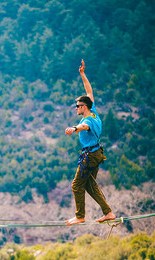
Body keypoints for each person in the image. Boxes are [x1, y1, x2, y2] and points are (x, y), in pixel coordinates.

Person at [64, 59, 116, 226]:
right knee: (90, 185)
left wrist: (74, 128)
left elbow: (84, 126)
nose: (76, 108)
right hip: (95, 154)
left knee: (76, 185)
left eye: (78, 106)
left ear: (84, 107)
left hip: (90, 156)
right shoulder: (92, 109)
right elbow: (89, 91)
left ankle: (80, 216)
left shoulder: (89, 120)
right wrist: (82, 74)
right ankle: (108, 212)